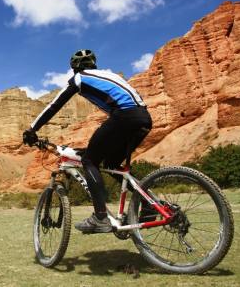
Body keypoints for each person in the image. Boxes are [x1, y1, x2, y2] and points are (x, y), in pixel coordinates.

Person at [23, 49, 152, 234]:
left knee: (89, 161)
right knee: (112, 164)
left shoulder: (79, 78)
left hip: (124, 116)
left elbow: (54, 105)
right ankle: (150, 204)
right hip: (143, 118)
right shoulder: (109, 75)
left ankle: (100, 217)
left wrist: (32, 129)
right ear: (93, 64)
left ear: (74, 67)